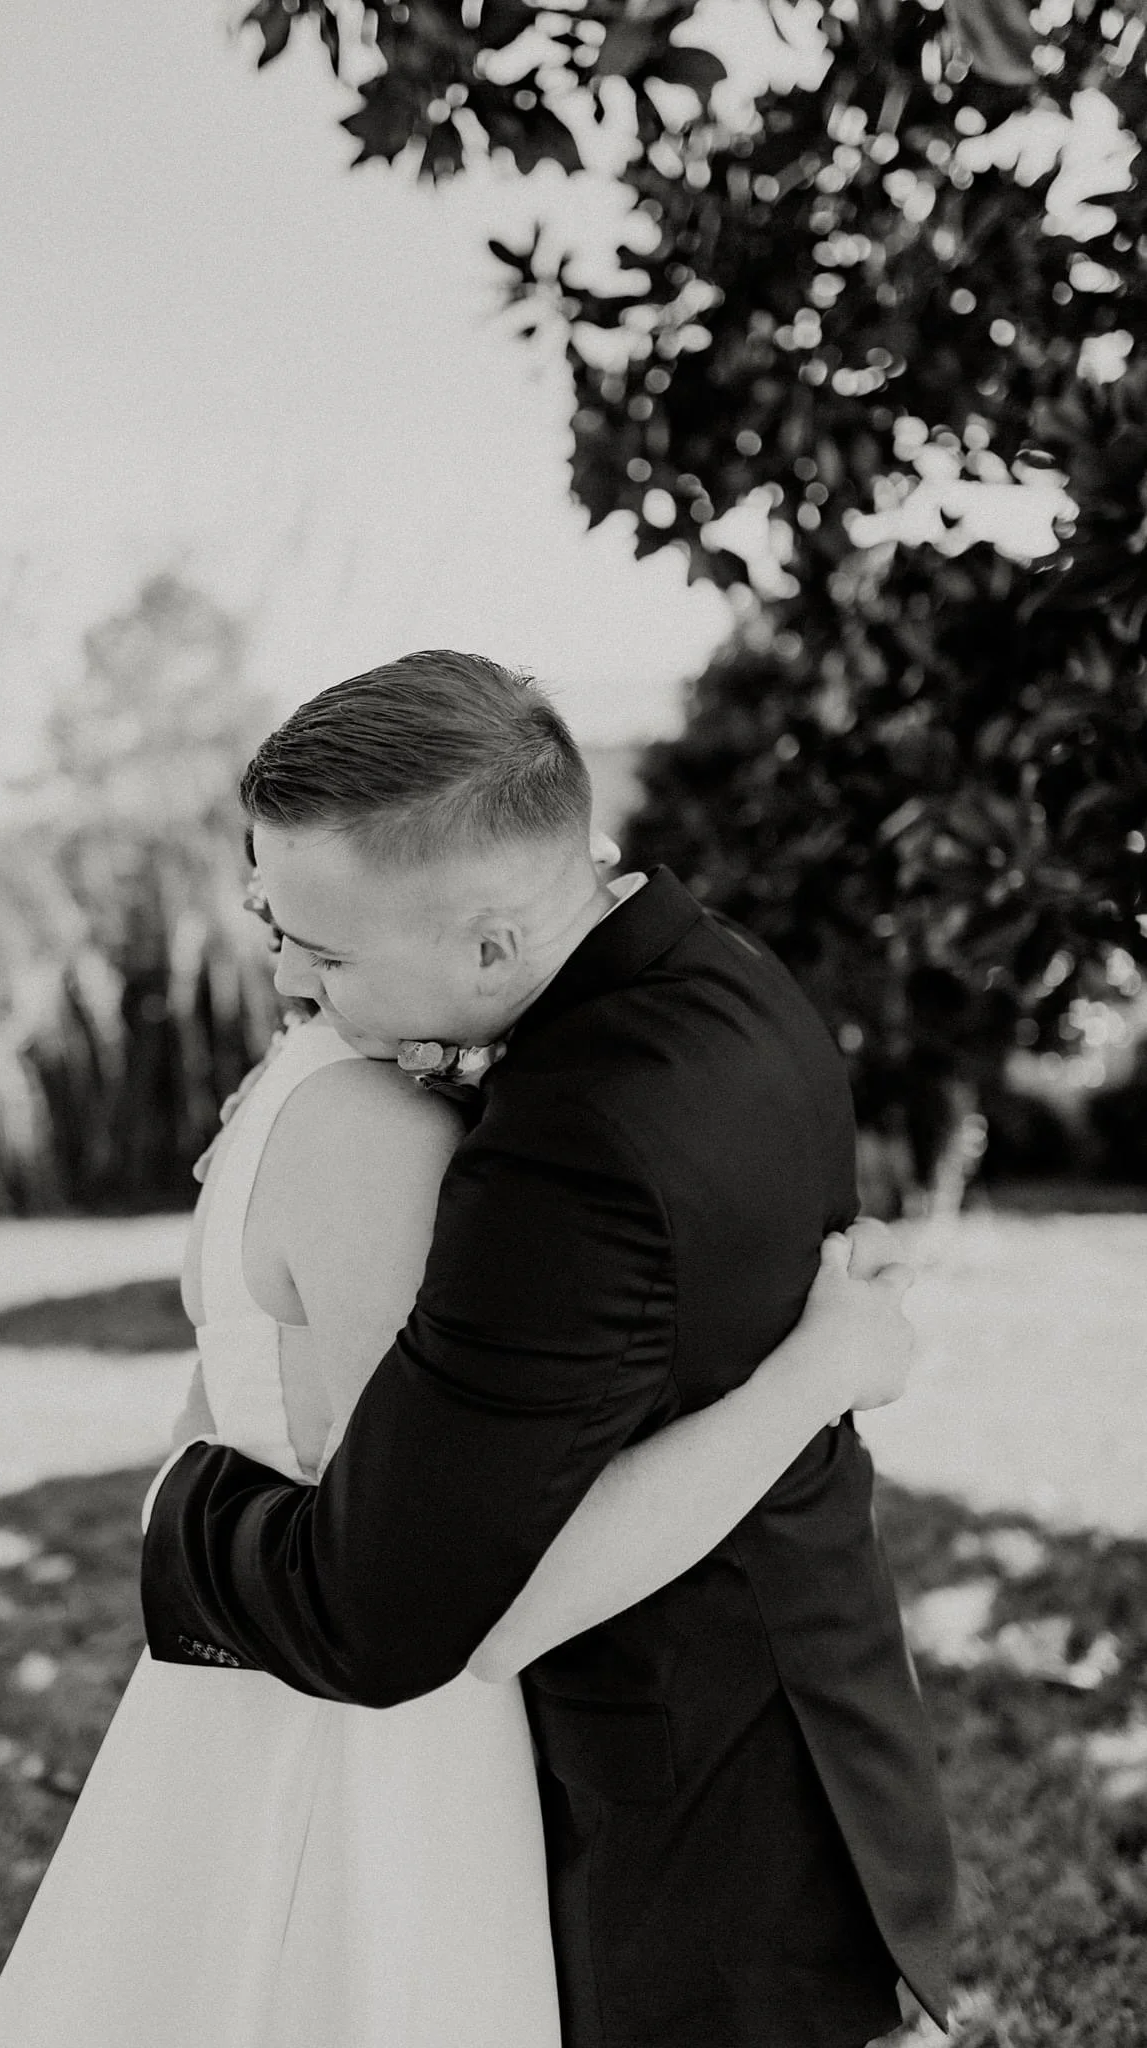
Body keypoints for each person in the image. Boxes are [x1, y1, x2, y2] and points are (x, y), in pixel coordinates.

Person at [140, 652, 956, 2048]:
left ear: (493, 947)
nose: (285, 978)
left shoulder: (567, 1154)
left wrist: (177, 1514)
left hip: (690, 1825)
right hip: (823, 1716)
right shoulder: (729, 978)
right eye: (279, 923)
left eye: (325, 954)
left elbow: (411, 1614)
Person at [0, 1014, 916, 2048]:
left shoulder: (290, 1085)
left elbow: (209, 1414)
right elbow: (466, 1539)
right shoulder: (380, 1126)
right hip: (388, 1712)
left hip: (235, 1690)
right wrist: (816, 1369)